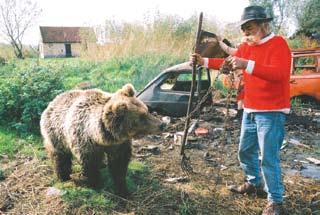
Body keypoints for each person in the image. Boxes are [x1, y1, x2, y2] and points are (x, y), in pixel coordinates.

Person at [191, 5, 291, 215]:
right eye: (244, 27)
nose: (245, 31)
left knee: (268, 158)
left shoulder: (279, 44)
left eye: (250, 27)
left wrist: (247, 64)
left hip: (272, 111)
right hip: (250, 109)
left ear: (264, 25)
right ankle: (255, 184)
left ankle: (276, 202)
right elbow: (227, 63)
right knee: (245, 151)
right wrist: (204, 61)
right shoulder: (247, 47)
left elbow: (279, 74)